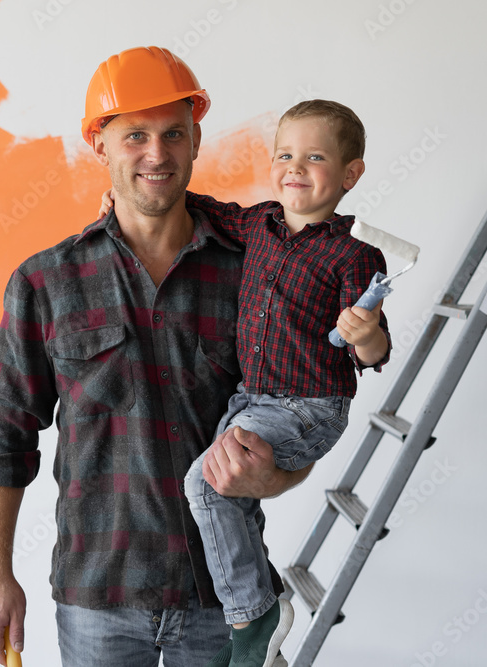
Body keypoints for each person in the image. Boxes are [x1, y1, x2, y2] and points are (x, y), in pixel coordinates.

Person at [0, 46, 313, 667]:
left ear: (196, 140)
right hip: (98, 598)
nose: (157, 154)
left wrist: (280, 477)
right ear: (99, 144)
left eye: (173, 134)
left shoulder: (252, 276)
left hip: (224, 603)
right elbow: (3, 434)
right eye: (135, 136)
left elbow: (296, 409)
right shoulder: (46, 282)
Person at [98, 99, 392, 665]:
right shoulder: (257, 223)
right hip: (251, 399)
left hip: (309, 406)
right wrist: (122, 197)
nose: (294, 167)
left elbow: (373, 356)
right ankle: (264, 593)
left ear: (350, 174)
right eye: (285, 154)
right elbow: (196, 206)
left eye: (314, 157)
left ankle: (252, 615)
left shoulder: (356, 257)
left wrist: (366, 331)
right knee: (233, 495)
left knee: (204, 483)